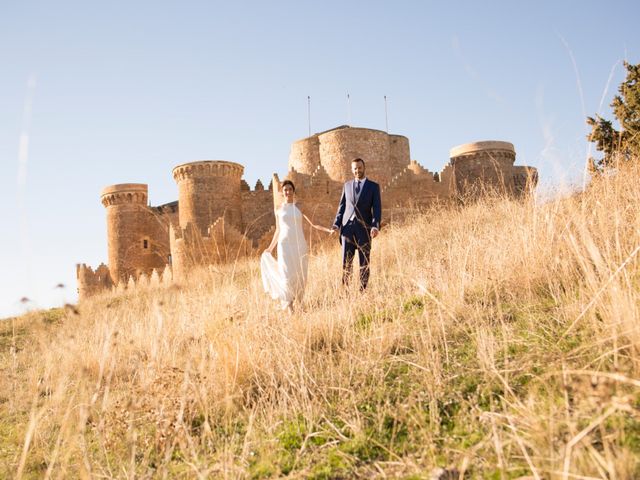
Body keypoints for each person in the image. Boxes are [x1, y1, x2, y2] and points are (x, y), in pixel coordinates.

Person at [261, 180, 332, 311]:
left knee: (300, 273)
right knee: (286, 274)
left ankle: (300, 301)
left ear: (293, 191)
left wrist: (328, 230)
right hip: (284, 245)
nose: (287, 192)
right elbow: (278, 230)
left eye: (289, 189)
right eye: (285, 190)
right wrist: (270, 248)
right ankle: (289, 307)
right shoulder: (278, 209)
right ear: (282, 193)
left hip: (299, 244)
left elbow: (313, 223)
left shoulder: (299, 206)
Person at [332, 158, 381, 290]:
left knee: (364, 261)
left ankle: (362, 291)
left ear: (364, 168)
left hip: (364, 229)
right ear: (352, 170)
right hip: (347, 228)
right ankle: (345, 291)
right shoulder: (346, 186)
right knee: (346, 262)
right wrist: (336, 224)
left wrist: (375, 226)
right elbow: (341, 207)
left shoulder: (373, 187)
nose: (357, 170)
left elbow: (376, 209)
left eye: (359, 168)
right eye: (354, 168)